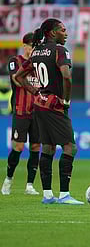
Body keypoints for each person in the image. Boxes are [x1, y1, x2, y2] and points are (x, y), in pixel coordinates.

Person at [14, 19, 83, 205]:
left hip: (39, 104)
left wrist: (35, 91)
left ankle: (47, 195)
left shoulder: (36, 51)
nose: (66, 33)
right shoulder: (60, 50)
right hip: (55, 105)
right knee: (70, 146)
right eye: (63, 30)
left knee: (48, 147)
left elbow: (18, 76)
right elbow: (66, 78)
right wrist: (66, 101)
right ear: (52, 33)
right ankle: (64, 195)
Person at [1, 33, 41, 195]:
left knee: (36, 147)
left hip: (38, 112)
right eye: (31, 46)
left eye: (36, 47)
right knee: (17, 146)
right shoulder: (15, 61)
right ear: (24, 46)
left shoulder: (41, 65)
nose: (33, 50)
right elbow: (17, 80)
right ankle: (8, 180)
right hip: (21, 110)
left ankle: (29, 185)